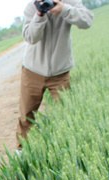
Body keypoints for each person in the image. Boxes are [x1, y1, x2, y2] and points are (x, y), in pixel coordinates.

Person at [16, 0, 93, 145]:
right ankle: (21, 152)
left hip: (60, 73)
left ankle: (67, 147)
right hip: (33, 71)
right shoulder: (32, 6)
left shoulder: (70, 2)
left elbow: (87, 21)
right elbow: (31, 37)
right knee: (26, 116)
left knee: (66, 115)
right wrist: (40, 14)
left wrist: (64, 9)